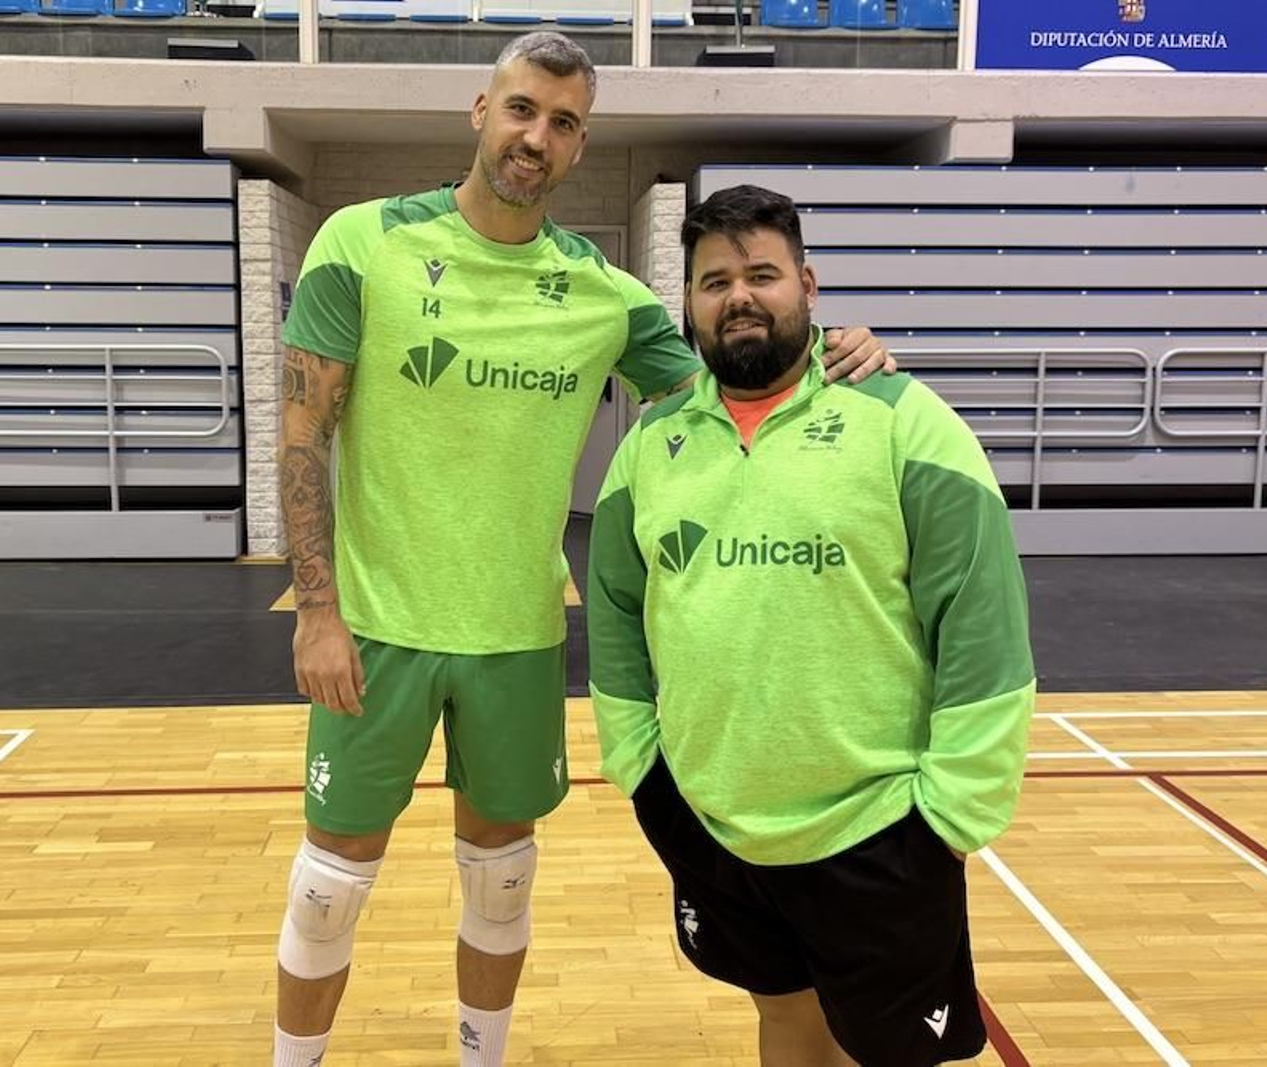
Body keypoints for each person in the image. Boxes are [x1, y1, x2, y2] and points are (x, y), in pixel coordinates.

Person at [274, 34, 896, 1067]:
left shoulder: (603, 295)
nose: (538, 136)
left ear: (579, 144)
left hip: (519, 635)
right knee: (330, 883)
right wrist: (317, 610)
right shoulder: (362, 241)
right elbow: (305, 431)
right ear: (481, 110)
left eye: (563, 123)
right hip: (375, 632)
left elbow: (728, 387)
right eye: (523, 110)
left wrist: (843, 354)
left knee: (502, 876)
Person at [586, 184, 1036, 1067]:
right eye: (714, 281)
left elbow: (984, 628)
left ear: (809, 283)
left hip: (881, 828)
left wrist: (951, 815)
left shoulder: (908, 423)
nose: (739, 296)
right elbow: (614, 617)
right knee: (785, 1019)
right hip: (714, 824)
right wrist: (643, 770)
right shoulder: (649, 446)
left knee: (894, 1052)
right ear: (687, 303)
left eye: (762, 273)